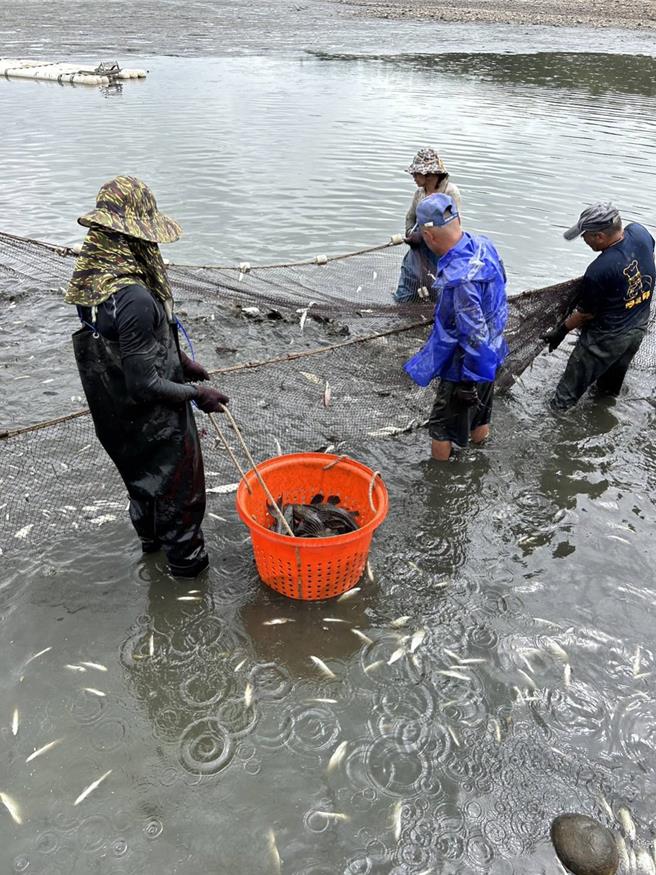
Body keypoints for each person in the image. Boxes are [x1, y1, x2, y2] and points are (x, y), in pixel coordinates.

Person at [65, 175, 229, 578]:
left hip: (116, 419)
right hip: (154, 424)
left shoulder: (92, 282)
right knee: (180, 505)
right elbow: (144, 384)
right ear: (134, 236)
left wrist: (180, 360)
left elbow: (125, 346)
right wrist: (197, 393)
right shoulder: (135, 297)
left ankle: (151, 555)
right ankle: (187, 582)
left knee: (143, 488)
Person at [403, 193, 508, 460]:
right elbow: (502, 284)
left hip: (464, 366)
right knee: (480, 414)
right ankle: (480, 457)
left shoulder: (459, 280)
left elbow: (473, 333)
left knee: (441, 429)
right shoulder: (483, 245)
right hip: (492, 352)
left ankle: (439, 476)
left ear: (429, 236)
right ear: (458, 221)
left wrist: (468, 382)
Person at [543, 203, 655, 411]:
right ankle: (604, 413)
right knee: (607, 391)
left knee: (563, 399)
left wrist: (561, 331)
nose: (584, 240)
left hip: (605, 340)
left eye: (585, 235)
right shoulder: (640, 233)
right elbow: (649, 255)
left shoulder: (599, 269)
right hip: (637, 329)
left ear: (599, 237)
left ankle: (557, 419)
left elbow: (586, 314)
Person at [393, 148, 463, 304]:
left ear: (429, 175)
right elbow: (410, 217)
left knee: (440, 294)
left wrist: (427, 236)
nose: (413, 177)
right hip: (418, 250)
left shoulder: (450, 192)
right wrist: (411, 235)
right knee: (406, 289)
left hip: (441, 252)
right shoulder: (419, 193)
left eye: (416, 173)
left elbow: (454, 228)